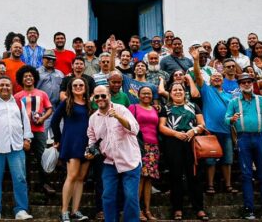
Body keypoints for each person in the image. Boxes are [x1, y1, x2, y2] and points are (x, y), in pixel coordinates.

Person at [0, 76, 34, 220]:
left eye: (7, 85)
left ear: (12, 88)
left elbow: (26, 122)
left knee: (20, 178)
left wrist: (27, 139)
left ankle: (21, 210)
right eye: (2, 85)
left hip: (16, 146)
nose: (4, 87)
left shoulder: (18, 103)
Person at [225, 73, 262, 220]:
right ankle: (249, 208)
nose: (247, 84)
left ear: (253, 83)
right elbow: (226, 118)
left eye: (249, 82)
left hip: (260, 138)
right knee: (246, 174)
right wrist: (231, 119)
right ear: (239, 85)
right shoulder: (234, 102)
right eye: (243, 82)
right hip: (243, 139)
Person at [86, 85, 141, 222]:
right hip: (109, 162)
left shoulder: (121, 109)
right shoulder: (93, 118)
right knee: (108, 195)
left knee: (130, 196)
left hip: (130, 160)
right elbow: (92, 139)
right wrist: (90, 151)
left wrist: (118, 117)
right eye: (97, 96)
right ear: (93, 98)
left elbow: (135, 129)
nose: (100, 99)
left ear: (109, 96)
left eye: (103, 95)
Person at [159, 81, 208, 221]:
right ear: (171, 93)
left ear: (184, 91)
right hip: (173, 143)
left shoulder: (193, 106)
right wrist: (176, 134)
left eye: (180, 89)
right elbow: (161, 127)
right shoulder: (166, 108)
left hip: (191, 143)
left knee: (194, 175)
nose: (178, 92)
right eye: (174, 90)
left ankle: (199, 208)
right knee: (175, 176)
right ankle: (177, 209)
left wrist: (193, 131)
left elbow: (202, 124)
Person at [50, 77, 92, 222]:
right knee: (72, 176)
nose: (78, 87)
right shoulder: (67, 102)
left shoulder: (89, 104)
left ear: (85, 87)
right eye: (75, 85)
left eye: (81, 85)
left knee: (81, 178)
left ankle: (75, 210)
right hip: (72, 142)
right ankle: (64, 211)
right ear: (71, 88)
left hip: (87, 144)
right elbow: (54, 121)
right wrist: (58, 139)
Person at [14, 65, 55, 194]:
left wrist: (43, 118)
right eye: (25, 76)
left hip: (39, 130)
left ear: (35, 78)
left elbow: (50, 109)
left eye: (30, 76)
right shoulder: (17, 96)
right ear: (21, 79)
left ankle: (44, 183)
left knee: (41, 157)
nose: (28, 78)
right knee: (23, 160)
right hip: (23, 132)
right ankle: (24, 185)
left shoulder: (42, 94)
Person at [194, 70, 237, 195]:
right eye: (214, 77)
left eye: (219, 76)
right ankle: (210, 185)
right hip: (210, 131)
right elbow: (198, 76)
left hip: (227, 131)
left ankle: (228, 185)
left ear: (223, 80)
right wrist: (196, 60)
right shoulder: (207, 90)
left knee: (228, 159)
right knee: (210, 159)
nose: (217, 78)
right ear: (210, 80)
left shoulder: (230, 96)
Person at [129, 86, 161, 221]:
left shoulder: (155, 109)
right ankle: (137, 210)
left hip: (154, 146)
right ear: (139, 95)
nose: (146, 95)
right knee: (140, 178)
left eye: (149, 93)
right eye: (144, 93)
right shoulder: (133, 107)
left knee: (149, 179)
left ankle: (147, 210)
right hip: (139, 145)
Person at [37, 50, 65, 122]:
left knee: (58, 132)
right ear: (43, 59)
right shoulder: (36, 72)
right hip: (42, 109)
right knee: (43, 132)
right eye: (48, 58)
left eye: (53, 59)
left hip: (57, 108)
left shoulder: (60, 73)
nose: (51, 61)